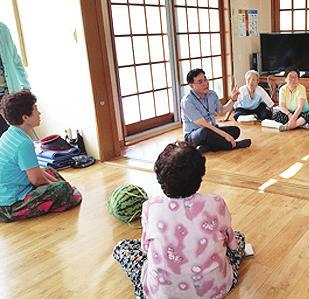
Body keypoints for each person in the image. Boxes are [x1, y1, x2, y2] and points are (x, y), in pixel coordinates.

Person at [112, 142, 247, 299]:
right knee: (239, 237)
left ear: (160, 177)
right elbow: (231, 243)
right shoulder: (216, 202)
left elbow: (144, 247)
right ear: (200, 175)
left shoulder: (150, 206)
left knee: (122, 247)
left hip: (161, 294)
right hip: (214, 291)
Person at [0, 91, 81, 222]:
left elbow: (38, 172)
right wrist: (63, 187)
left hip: (10, 193)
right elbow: (36, 180)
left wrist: (59, 183)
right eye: (36, 109)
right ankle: (64, 196)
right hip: (9, 206)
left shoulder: (9, 134)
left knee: (50, 171)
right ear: (25, 117)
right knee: (62, 189)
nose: (39, 113)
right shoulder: (23, 144)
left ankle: (65, 193)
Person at [181, 68, 251, 153]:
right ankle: (234, 145)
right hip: (194, 135)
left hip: (212, 129)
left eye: (205, 79)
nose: (205, 83)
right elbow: (203, 124)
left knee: (235, 130)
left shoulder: (212, 94)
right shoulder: (187, 101)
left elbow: (221, 111)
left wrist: (232, 100)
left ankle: (207, 146)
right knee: (205, 132)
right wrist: (225, 135)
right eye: (200, 82)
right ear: (192, 86)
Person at [0, 22, 30, 137]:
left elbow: (16, 60)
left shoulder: (3, 29)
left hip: (9, 94)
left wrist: (26, 86)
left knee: (14, 135)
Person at [273, 66, 309, 132]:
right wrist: (289, 115)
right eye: (290, 77)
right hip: (288, 113)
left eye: (295, 77)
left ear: (298, 79)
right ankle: (300, 125)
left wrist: (294, 117)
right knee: (276, 115)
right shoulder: (282, 89)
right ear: (285, 79)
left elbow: (300, 107)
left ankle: (289, 126)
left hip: (301, 113)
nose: (293, 79)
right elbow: (282, 106)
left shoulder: (301, 88)